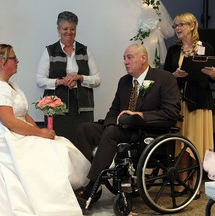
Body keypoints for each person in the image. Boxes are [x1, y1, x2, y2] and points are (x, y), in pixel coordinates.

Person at [0, 44, 91, 216]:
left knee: (59, 143)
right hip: (1, 136)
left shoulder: (11, 85)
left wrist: (40, 132)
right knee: (45, 151)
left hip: (16, 131)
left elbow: (24, 115)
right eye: (14, 58)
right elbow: (9, 121)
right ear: (2, 62)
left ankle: (62, 192)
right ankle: (51, 199)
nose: (18, 61)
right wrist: (39, 133)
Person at [74, 43, 181, 199]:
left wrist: (139, 115)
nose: (125, 62)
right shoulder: (124, 81)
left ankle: (92, 186)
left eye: (130, 58)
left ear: (143, 58)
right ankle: (82, 178)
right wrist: (112, 123)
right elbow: (113, 110)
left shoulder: (164, 78)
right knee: (84, 129)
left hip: (146, 131)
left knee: (111, 133)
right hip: (120, 129)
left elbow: (171, 113)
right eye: (124, 58)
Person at [164, 12, 214, 199]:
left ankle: (196, 182)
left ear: (192, 25)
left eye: (181, 24)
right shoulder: (173, 50)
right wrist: (174, 76)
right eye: (175, 25)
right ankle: (181, 180)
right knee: (180, 143)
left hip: (200, 102)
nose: (177, 28)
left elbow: (212, 77)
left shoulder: (206, 47)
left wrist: (213, 74)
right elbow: (164, 77)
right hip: (179, 102)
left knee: (198, 142)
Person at [36, 11, 100, 143]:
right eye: (65, 29)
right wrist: (60, 82)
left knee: (82, 144)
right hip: (57, 110)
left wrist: (80, 77)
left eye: (72, 29)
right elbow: (40, 80)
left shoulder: (85, 50)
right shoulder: (50, 51)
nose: (69, 32)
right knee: (58, 145)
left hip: (82, 109)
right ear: (58, 30)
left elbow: (97, 79)